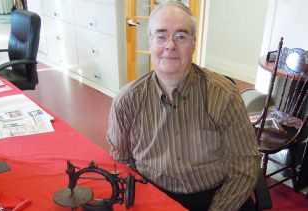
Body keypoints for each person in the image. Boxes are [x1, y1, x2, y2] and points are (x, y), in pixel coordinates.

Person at [107, 2, 260, 211]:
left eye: (181, 36)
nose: (170, 45)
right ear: (150, 42)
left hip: (217, 196)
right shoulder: (126, 101)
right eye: (161, 36)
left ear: (194, 43)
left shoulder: (224, 96)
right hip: (155, 194)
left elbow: (245, 167)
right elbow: (122, 160)